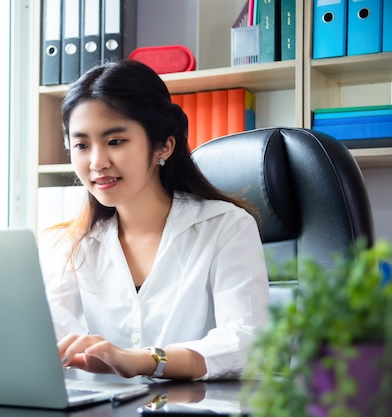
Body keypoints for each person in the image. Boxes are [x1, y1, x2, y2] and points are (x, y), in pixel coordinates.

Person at [37, 59, 269, 381]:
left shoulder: (226, 227)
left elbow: (247, 343)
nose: (97, 162)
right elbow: (47, 343)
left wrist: (147, 359)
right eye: (81, 145)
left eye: (115, 141)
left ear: (164, 145)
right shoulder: (68, 246)